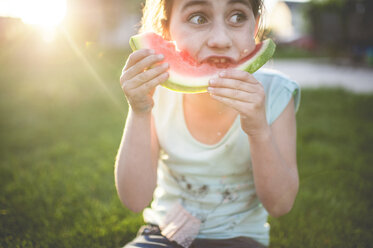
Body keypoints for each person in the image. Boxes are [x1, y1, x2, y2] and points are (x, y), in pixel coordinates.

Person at [115, 0, 301, 247]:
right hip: (165, 233)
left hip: (241, 238)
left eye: (237, 17)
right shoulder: (156, 92)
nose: (220, 40)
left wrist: (258, 129)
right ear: (166, 30)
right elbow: (134, 200)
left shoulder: (275, 92)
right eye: (199, 18)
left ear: (254, 28)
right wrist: (139, 111)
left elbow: (280, 205)